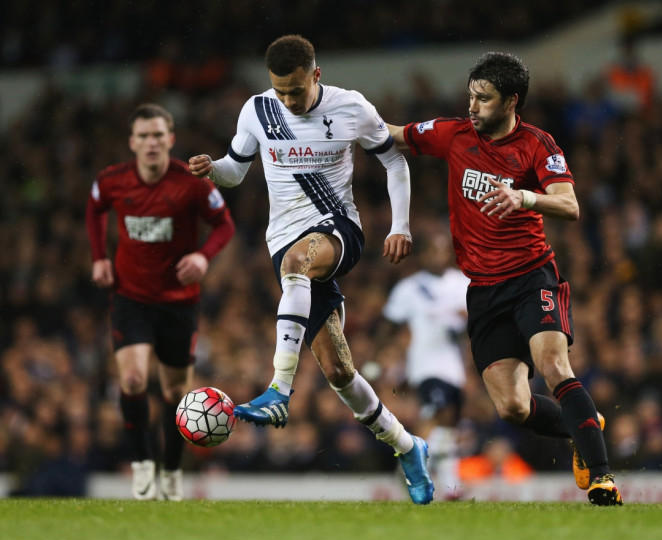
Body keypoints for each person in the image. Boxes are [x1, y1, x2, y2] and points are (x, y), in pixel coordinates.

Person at [188, 34, 434, 504]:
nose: (287, 100)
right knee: (340, 372)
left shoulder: (352, 107)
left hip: (339, 229)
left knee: (299, 262)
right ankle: (408, 446)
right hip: (282, 242)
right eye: (279, 91)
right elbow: (235, 170)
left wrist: (399, 225)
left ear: (316, 76)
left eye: (296, 91)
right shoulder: (257, 111)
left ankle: (278, 389)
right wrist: (211, 168)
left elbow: (393, 161)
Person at [388, 52, 623, 506]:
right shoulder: (453, 134)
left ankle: (602, 478)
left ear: (512, 101)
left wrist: (524, 198)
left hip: (531, 277)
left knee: (555, 367)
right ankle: (583, 423)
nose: (472, 106)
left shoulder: (538, 145)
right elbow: (393, 136)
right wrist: (334, 118)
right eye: (470, 95)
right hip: (483, 289)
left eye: (484, 98)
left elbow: (569, 205)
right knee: (512, 407)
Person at [86, 103, 235, 500]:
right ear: (132, 142)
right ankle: (142, 464)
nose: (151, 142)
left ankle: (171, 469)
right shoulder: (112, 180)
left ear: (170, 140)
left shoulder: (191, 181)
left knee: (174, 394)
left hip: (179, 302)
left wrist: (203, 256)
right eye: (144, 135)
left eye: (158, 135)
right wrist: (99, 256)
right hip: (130, 297)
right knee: (132, 379)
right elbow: (95, 208)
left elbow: (224, 224)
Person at [378, 228, 469, 500]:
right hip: (425, 363)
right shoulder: (410, 287)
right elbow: (388, 325)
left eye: (442, 249)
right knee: (436, 414)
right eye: (432, 249)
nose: (437, 255)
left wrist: (468, 319)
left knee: (448, 422)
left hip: (454, 364)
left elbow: (476, 326)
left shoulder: (463, 284)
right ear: (424, 254)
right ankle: (437, 479)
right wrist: (377, 357)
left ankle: (417, 468)